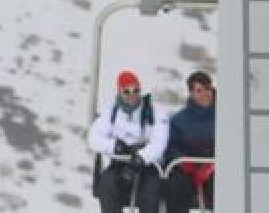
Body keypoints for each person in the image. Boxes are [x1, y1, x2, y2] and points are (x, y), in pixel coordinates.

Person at [87, 70, 170, 213]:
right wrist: (115, 146)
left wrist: (141, 158)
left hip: (148, 166)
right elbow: (93, 138)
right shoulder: (111, 112)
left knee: (150, 195)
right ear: (120, 92)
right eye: (126, 91)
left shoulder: (155, 112)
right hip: (120, 162)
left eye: (136, 90)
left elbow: (159, 142)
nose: (132, 95)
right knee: (107, 188)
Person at [162, 71, 215, 212]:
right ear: (191, 93)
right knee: (176, 185)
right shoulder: (179, 120)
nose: (205, 94)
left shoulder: (223, 117)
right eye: (199, 91)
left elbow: (230, 144)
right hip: (187, 168)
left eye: (208, 89)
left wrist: (210, 166)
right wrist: (184, 163)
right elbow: (171, 147)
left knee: (221, 185)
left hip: (214, 168)